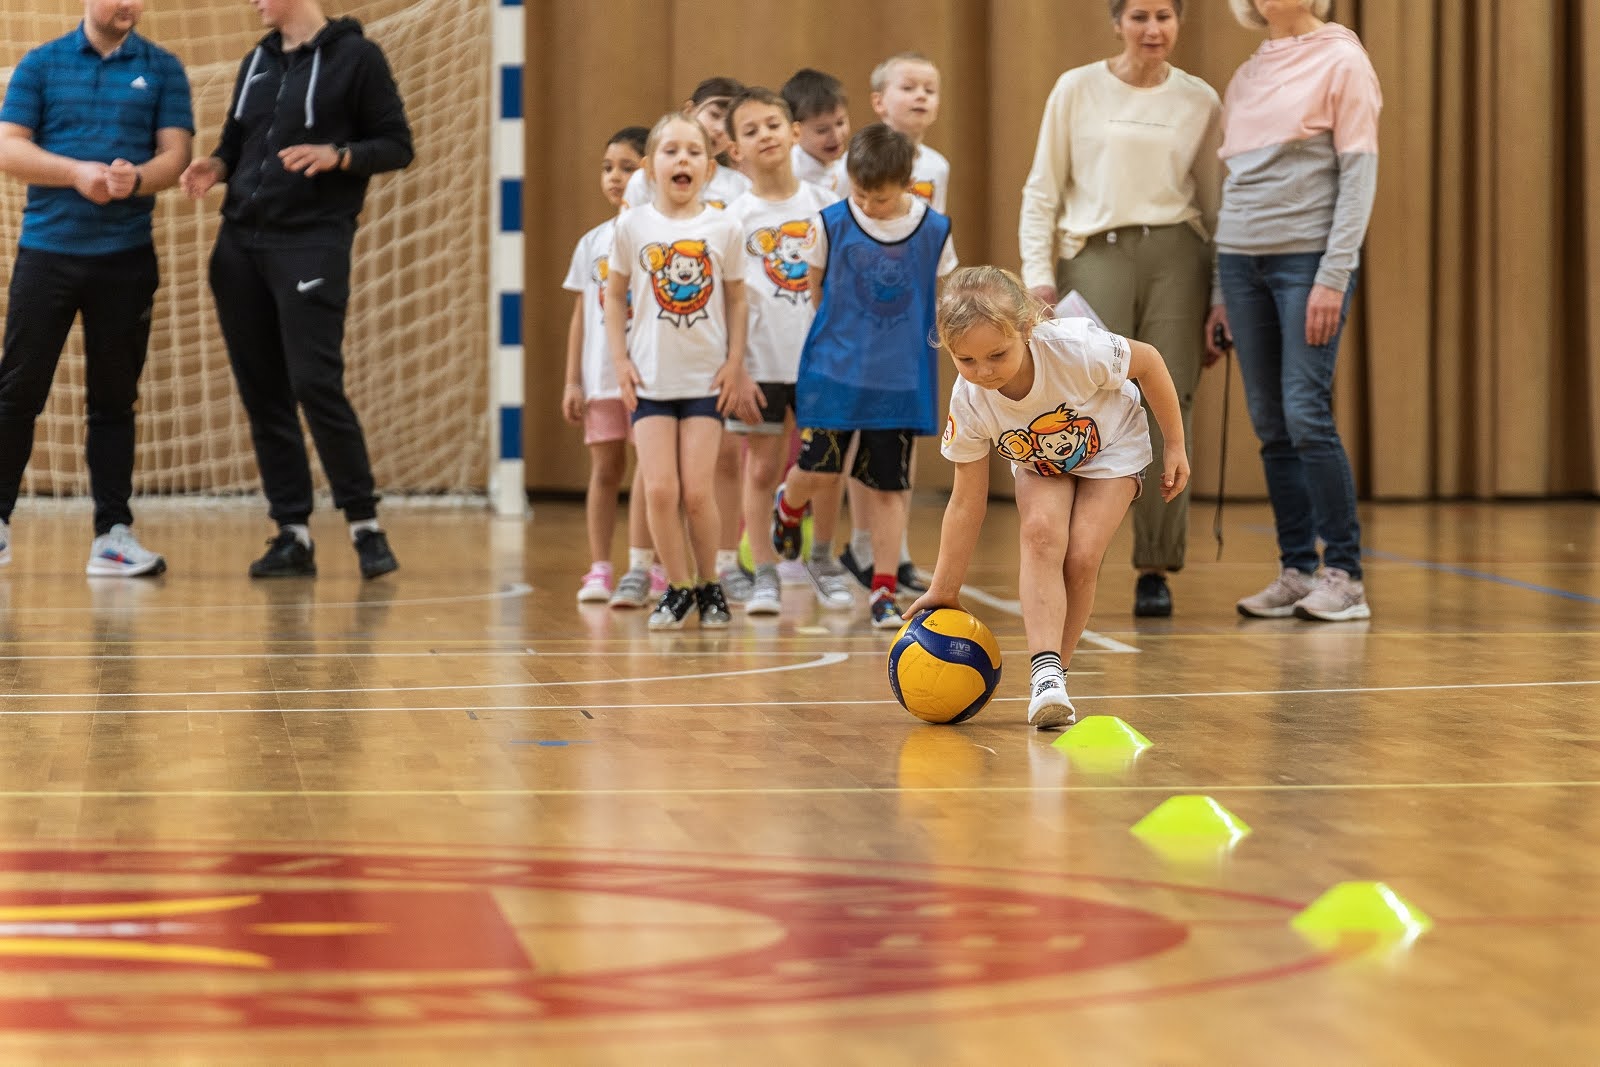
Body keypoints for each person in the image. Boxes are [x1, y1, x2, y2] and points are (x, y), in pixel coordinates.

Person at [180, 0, 413, 580]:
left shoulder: (357, 57)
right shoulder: (256, 61)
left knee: (314, 382)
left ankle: (365, 527)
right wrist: (216, 167)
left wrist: (340, 155)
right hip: (239, 246)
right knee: (264, 392)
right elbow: (235, 141)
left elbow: (396, 144)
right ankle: (293, 534)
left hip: (310, 243)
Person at [905, 266, 1190, 728]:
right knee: (1040, 535)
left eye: (997, 355)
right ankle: (1047, 676)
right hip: (1040, 459)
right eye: (966, 360)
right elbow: (965, 502)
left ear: (1026, 329)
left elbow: (1150, 362)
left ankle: (1058, 672)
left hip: (1111, 445)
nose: (984, 372)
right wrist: (944, 588)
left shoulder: (1076, 349)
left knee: (1081, 556)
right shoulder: (970, 401)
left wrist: (1175, 444)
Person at [1018, 0, 1221, 619]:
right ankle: (1070, 553)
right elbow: (1042, 189)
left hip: (1178, 256)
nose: (1152, 29)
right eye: (1138, 16)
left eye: (1164, 15)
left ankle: (1155, 566)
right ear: (1117, 23)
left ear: (1179, 21)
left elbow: (1216, 203)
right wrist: (1037, 277)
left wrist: (1221, 296)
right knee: (1082, 399)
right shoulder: (1076, 88)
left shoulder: (1200, 99)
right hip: (1093, 254)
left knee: (1169, 398)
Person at [0, 0, 193, 577]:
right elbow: (8, 146)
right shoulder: (41, 64)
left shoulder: (164, 68)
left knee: (114, 400)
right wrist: (76, 173)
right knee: (16, 392)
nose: (130, 4)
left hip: (126, 261)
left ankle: (113, 535)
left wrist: (137, 179)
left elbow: (176, 155)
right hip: (47, 256)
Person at [1208, 0, 1381, 622]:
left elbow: (1358, 176)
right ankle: (1297, 569)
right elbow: (1231, 185)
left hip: (1306, 260)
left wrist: (1334, 275)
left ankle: (1345, 576)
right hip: (1240, 262)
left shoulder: (1343, 59)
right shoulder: (1248, 73)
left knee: (1306, 413)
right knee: (1271, 422)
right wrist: (1219, 292)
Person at [769, 123, 957, 631]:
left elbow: (939, 293)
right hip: (835, 370)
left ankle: (883, 590)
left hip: (900, 379)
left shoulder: (934, 229)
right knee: (819, 469)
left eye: (880, 198)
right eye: (860, 195)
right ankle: (789, 504)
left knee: (889, 488)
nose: (868, 206)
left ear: (907, 184)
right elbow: (816, 290)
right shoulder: (829, 224)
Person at [605, 112, 761, 630]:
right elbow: (614, 295)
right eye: (671, 151)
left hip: (704, 381)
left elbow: (737, 299)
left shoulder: (724, 226)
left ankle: (710, 583)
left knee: (696, 492)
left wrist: (735, 362)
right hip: (650, 381)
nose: (683, 159)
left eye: (693, 151)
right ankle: (677, 587)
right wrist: (620, 361)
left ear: (708, 169)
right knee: (659, 490)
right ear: (650, 167)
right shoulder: (631, 226)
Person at [835, 52, 950, 597]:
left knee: (901, 437)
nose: (922, 95)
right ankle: (863, 544)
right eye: (910, 86)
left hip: (910, 322)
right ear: (880, 101)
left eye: (930, 87)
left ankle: (894, 549)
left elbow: (933, 242)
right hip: (863, 319)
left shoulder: (937, 168)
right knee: (864, 433)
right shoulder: (855, 161)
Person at [722, 88, 840, 616]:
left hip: (821, 362)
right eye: (751, 131)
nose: (764, 135)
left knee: (827, 467)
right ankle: (764, 572)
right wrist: (735, 367)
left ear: (794, 133)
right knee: (762, 468)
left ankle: (823, 560)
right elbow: (728, 300)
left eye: (772, 124)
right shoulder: (733, 218)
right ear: (735, 152)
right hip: (761, 365)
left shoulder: (826, 205)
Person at [561, 126, 656, 605]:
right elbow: (582, 316)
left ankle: (652, 565)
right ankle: (599, 568)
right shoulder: (592, 242)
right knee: (605, 469)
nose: (615, 177)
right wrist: (572, 381)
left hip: (648, 376)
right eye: (607, 168)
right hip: (601, 377)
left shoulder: (659, 236)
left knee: (651, 473)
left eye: (627, 167)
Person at [623, 78, 752, 211]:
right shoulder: (643, 181)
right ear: (689, 110)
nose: (720, 129)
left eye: (729, 124)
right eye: (714, 115)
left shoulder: (740, 186)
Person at [782, 68, 850, 197]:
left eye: (840, 123)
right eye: (822, 130)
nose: (836, 136)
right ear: (795, 131)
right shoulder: (791, 174)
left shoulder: (849, 164)